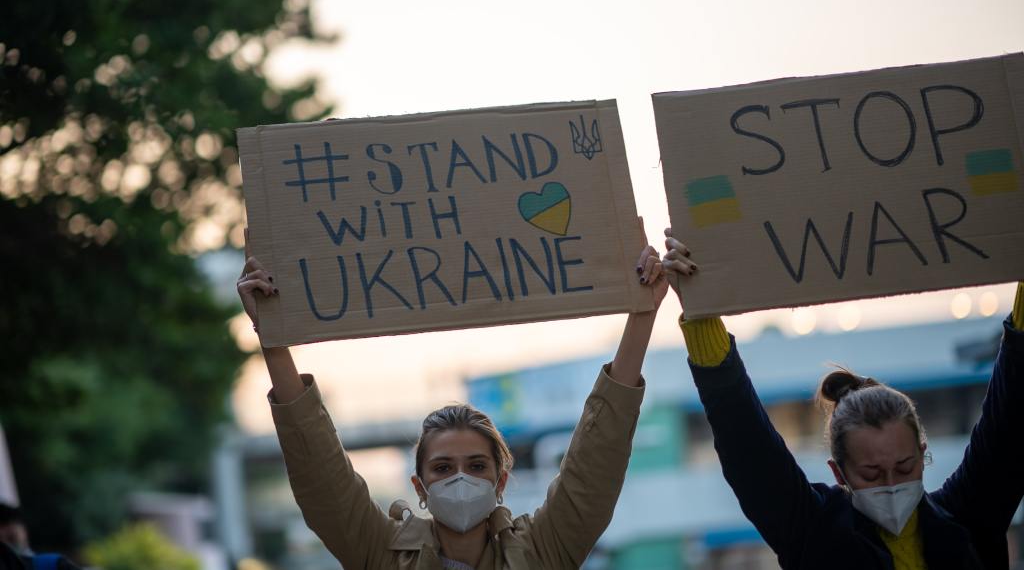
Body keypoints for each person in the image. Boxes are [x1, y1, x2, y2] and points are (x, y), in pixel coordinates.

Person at [237, 230, 669, 569]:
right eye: (443, 468)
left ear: (501, 481)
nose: (460, 478)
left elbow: (595, 464)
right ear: (419, 487)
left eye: (477, 466)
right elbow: (321, 475)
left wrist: (643, 314)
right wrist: (271, 337)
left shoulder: (543, 552)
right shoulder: (381, 554)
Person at [661, 228, 1024, 569]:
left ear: (923, 453)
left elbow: (1010, 420)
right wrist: (700, 309)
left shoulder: (968, 518)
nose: (892, 485)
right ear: (839, 472)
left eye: (905, 467)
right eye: (871, 474)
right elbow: (749, 449)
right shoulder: (814, 532)